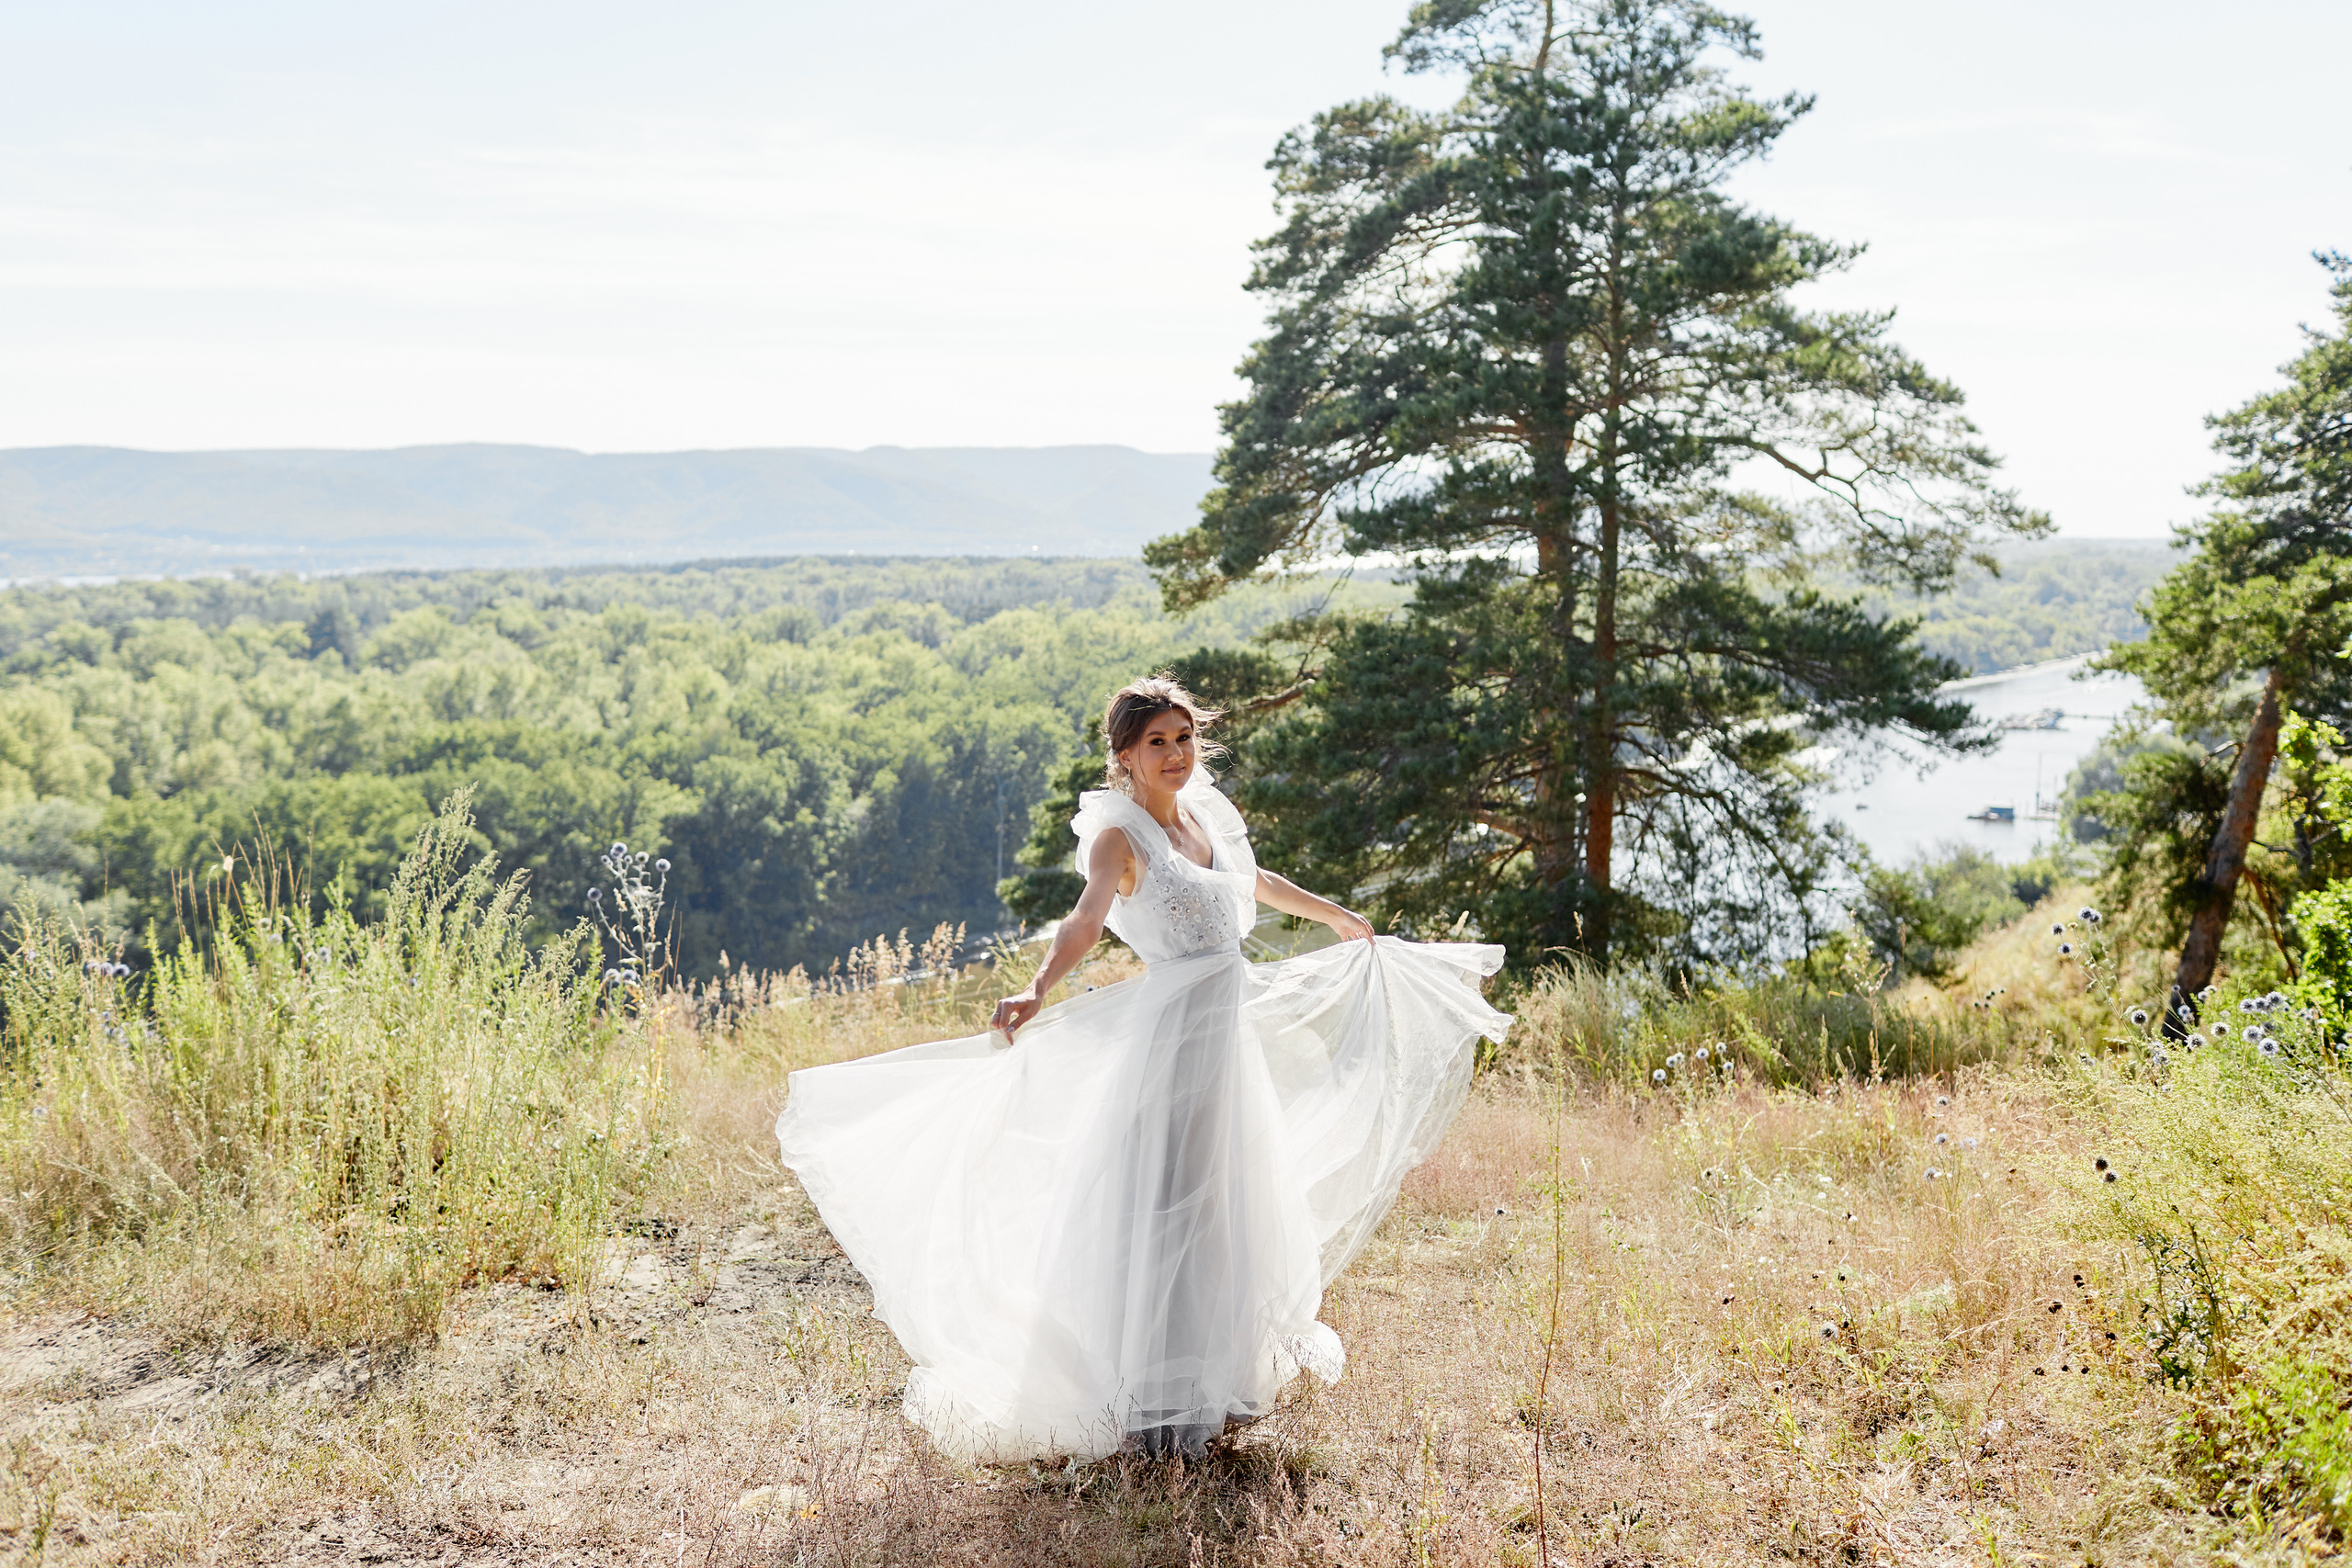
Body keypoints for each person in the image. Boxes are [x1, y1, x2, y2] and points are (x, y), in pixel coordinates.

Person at [774, 674, 1510, 1462]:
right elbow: (1087, 918)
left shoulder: (1205, 819)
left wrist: (1333, 913)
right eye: (1156, 742)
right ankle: (1143, 1395)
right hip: (1173, 1041)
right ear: (1124, 756)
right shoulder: (1117, 838)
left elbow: (1251, 882)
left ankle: (1212, 1377)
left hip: (1225, 1038)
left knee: (1226, 1200)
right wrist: (1036, 985)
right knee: (1168, 1199)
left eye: (1184, 737)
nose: (1175, 753)